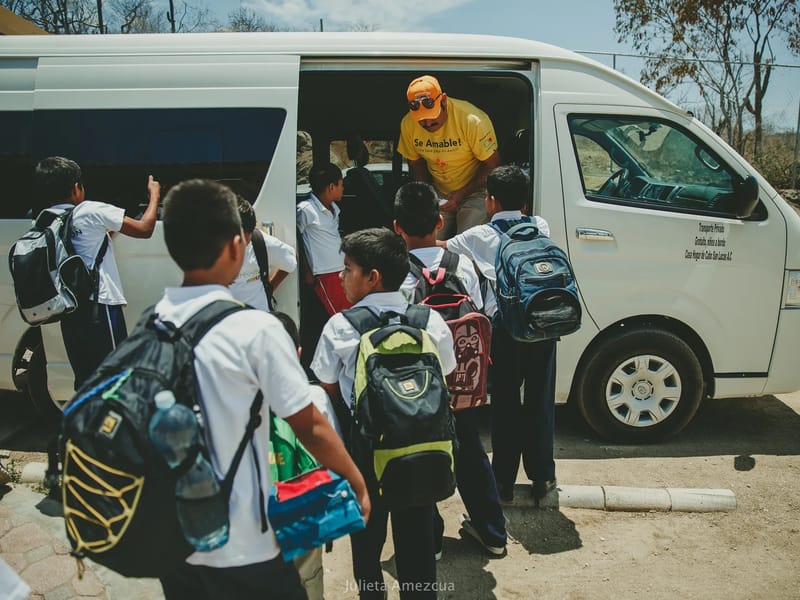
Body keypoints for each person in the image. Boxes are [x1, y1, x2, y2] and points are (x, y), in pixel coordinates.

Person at [154, 178, 369, 600]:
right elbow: (309, 424)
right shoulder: (256, 329)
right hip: (245, 535)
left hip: (178, 530)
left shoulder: (154, 322)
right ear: (238, 245)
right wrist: (356, 482)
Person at [310, 228, 456, 599]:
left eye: (347, 269)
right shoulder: (429, 321)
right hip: (421, 455)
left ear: (372, 277)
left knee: (367, 553)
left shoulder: (340, 327)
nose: (341, 277)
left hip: (364, 460)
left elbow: (327, 391)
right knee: (419, 553)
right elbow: (447, 376)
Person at [394, 181, 508, 557]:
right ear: (440, 221)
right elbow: (485, 314)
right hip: (463, 384)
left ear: (398, 227)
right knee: (471, 452)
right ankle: (492, 533)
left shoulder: (396, 273)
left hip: (417, 388)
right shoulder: (463, 265)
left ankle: (431, 539)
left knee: (420, 456)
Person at [440, 165, 557, 504]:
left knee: (505, 404)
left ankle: (503, 481)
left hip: (504, 328)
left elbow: (439, 244)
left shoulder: (479, 236)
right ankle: (543, 478)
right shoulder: (540, 225)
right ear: (524, 201)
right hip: (542, 322)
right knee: (540, 400)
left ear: (489, 200)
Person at [34, 156, 160, 389]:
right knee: (115, 377)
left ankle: (87, 422)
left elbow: (85, 244)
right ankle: (110, 424)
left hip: (69, 311)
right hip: (99, 308)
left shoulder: (44, 220)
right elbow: (145, 229)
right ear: (76, 187)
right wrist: (154, 195)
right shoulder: (91, 210)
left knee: (85, 380)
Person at [270, 311, 342, 600]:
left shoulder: (234, 403)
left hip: (254, 521)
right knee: (308, 579)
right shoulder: (316, 400)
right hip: (302, 517)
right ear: (298, 353)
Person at [397, 75, 501, 240]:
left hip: (475, 190)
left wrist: (462, 193)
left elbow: (493, 165)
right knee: (425, 242)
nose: (428, 124)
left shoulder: (472, 120)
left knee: (467, 242)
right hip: (439, 192)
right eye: (422, 121)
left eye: (433, 118)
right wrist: (426, 195)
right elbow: (416, 163)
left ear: (443, 100)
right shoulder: (408, 124)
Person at [296, 162, 353, 316]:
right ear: (331, 187)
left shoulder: (334, 208)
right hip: (325, 273)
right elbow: (296, 239)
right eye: (341, 184)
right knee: (341, 316)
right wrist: (306, 270)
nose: (343, 188)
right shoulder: (306, 210)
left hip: (340, 270)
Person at [229, 196, 297, 311]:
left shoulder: (260, 243)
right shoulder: (212, 249)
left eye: (244, 241)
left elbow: (291, 261)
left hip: (258, 318)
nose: (238, 245)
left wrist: (269, 288)